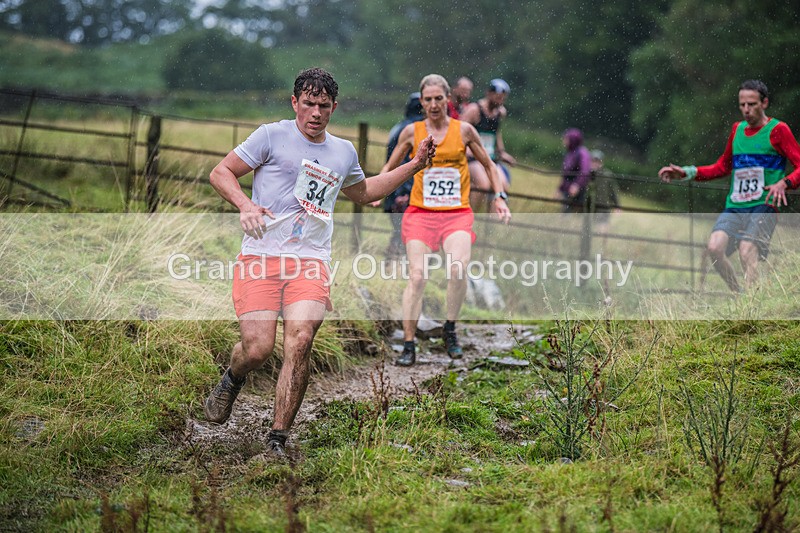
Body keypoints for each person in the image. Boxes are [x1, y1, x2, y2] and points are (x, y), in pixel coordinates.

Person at [204, 67, 435, 458]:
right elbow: (221, 172)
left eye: (323, 106)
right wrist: (245, 204)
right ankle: (233, 375)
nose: (315, 113)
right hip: (261, 256)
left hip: (310, 260)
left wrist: (414, 165)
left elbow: (363, 192)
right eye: (308, 104)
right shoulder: (271, 136)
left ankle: (277, 439)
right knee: (257, 349)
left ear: (334, 107)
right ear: (294, 102)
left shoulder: (343, 151)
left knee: (301, 339)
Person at [382, 74, 511, 367]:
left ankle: (450, 328)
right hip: (420, 214)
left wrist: (499, 196)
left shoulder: (464, 131)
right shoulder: (411, 132)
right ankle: (409, 342)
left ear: (448, 98)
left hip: (455, 214)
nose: (433, 105)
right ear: (422, 101)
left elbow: (490, 165)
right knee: (417, 277)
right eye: (427, 99)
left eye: (438, 98)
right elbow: (390, 166)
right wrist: (379, 190)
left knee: (457, 270)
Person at [659, 79, 800, 293]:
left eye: (752, 104)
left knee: (746, 250)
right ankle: (739, 295)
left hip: (763, 205)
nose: (746, 109)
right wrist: (687, 173)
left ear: (764, 103)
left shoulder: (778, 130)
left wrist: (785, 183)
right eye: (742, 104)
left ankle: (752, 310)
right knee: (714, 248)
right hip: (735, 206)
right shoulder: (737, 130)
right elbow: (721, 167)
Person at [460, 79, 517, 209]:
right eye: (497, 97)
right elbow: (459, 130)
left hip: (490, 157)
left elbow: (496, 133)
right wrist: (466, 148)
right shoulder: (474, 110)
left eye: (503, 98)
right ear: (489, 94)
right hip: (472, 157)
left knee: (503, 186)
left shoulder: (500, 112)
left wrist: (502, 152)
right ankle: (470, 216)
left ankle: (491, 224)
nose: (500, 101)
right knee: (483, 185)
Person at [382, 92, 425, 259]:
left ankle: (393, 264)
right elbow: (405, 165)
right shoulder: (414, 131)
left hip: (392, 189)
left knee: (400, 231)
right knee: (406, 232)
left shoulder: (398, 128)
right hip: (405, 191)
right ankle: (395, 265)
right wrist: (405, 193)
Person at [558, 128, 592, 213]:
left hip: (579, 191)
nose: (564, 141)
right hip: (568, 189)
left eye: (566, 139)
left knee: (577, 214)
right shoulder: (569, 153)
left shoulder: (582, 152)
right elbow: (566, 174)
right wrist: (560, 189)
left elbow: (585, 171)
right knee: (565, 214)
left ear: (572, 140)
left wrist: (577, 185)